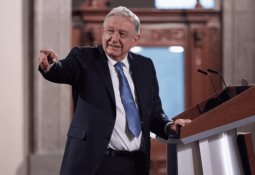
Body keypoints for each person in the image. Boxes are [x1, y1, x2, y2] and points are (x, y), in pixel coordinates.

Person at [38, 6, 191, 175]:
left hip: (135, 165)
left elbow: (154, 113)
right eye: (110, 31)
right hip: (93, 164)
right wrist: (51, 66)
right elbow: (62, 70)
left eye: (122, 34)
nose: (113, 38)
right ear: (103, 32)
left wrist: (169, 126)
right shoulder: (84, 58)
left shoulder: (145, 66)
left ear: (135, 39)